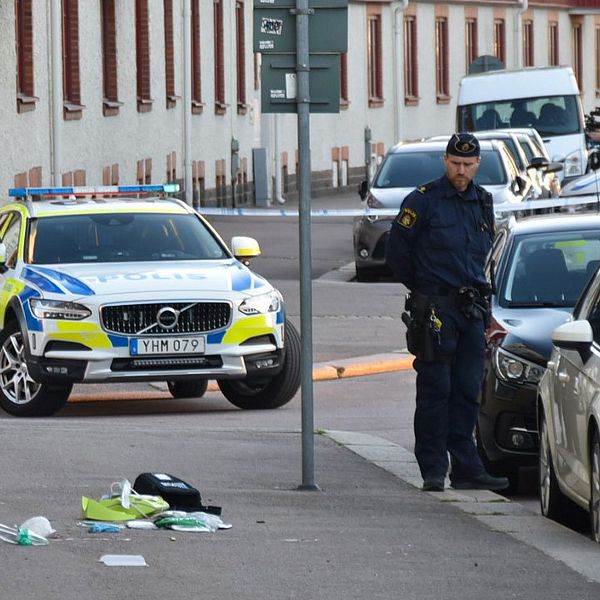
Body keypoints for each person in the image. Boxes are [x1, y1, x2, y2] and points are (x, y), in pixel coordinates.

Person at [385, 133, 509, 493]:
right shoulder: (423, 201)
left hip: (471, 308)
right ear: (445, 161)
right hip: (435, 308)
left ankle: (467, 468)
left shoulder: (482, 201)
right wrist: (424, 289)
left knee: (468, 390)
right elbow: (397, 253)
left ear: (477, 165)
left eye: (468, 165)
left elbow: (483, 255)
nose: (461, 170)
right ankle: (434, 468)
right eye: (455, 163)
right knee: (435, 390)